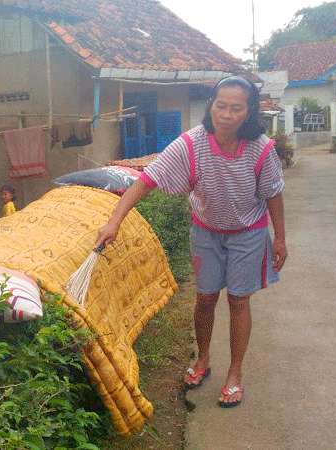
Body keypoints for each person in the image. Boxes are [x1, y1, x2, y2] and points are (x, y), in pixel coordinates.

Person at [96, 76, 287, 408]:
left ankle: (235, 373)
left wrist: (280, 238)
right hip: (206, 231)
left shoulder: (262, 148)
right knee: (205, 298)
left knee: (239, 302)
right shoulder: (191, 143)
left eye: (236, 108)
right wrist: (114, 220)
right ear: (211, 105)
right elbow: (147, 180)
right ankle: (203, 359)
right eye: (221, 105)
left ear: (249, 112)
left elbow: (273, 194)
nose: (226, 114)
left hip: (248, 233)